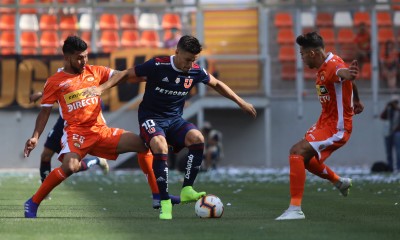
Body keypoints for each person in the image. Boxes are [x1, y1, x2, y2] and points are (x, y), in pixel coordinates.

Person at [84, 35, 257, 220]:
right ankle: (164, 201)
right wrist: (102, 88)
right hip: (150, 118)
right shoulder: (158, 65)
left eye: (194, 60)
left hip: (174, 120)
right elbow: (126, 73)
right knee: (160, 145)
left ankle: (187, 189)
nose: (190, 65)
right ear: (177, 52)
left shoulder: (195, 71)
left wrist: (241, 102)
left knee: (197, 138)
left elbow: (217, 83)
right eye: (187, 59)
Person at [23, 36, 167, 218]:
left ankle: (156, 195)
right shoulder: (55, 81)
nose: (84, 61)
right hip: (76, 133)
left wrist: (149, 77)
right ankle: (33, 202)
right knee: (70, 167)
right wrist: (35, 136)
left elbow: (124, 75)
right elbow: (44, 112)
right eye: (79, 57)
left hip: (101, 131)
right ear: (67, 58)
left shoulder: (95, 71)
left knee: (145, 144)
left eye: (86, 56)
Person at [275, 31, 364, 220]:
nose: (302, 58)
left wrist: (349, 74)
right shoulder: (327, 64)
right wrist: (356, 99)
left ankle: (295, 209)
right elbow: (346, 78)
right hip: (324, 122)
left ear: (312, 53)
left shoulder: (333, 66)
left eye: (302, 54)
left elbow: (342, 73)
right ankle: (339, 182)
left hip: (337, 128)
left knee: (297, 152)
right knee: (303, 159)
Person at [29, 91, 110, 193]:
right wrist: (42, 93)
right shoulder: (65, 78)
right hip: (64, 121)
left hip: (78, 127)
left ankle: (97, 160)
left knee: (73, 166)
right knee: (46, 155)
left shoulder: (88, 83)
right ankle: (45, 190)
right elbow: (60, 87)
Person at [380, 97, 400, 172]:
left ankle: (398, 167)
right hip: (388, 132)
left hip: (397, 132)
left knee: (398, 151)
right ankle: (390, 168)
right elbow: (382, 116)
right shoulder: (388, 110)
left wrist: (395, 107)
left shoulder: (398, 110)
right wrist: (386, 107)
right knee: (388, 151)